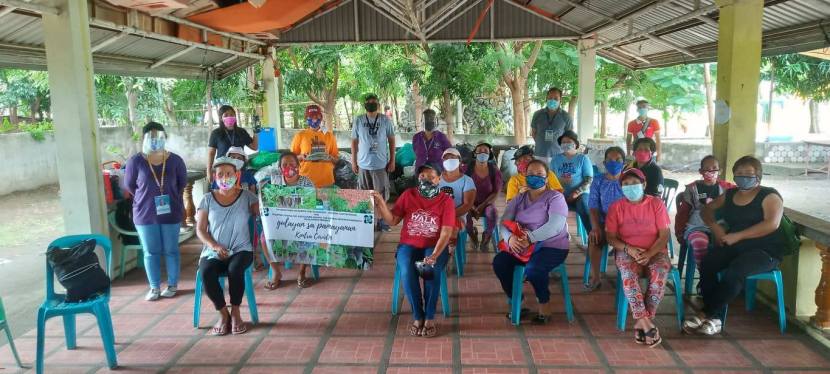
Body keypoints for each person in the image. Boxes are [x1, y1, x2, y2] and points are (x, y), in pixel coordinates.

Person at [684, 156, 785, 336]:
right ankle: (715, 319)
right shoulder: (730, 194)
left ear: (758, 175)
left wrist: (738, 235)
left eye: (748, 173)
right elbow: (707, 210)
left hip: (765, 251)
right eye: (739, 173)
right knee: (708, 262)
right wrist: (715, 228)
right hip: (736, 246)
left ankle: (705, 314)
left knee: (736, 270)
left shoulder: (769, 195)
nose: (743, 176)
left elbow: (772, 224)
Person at [372, 165, 455, 337]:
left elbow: (446, 232)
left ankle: (429, 317)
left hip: (435, 246)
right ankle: (418, 315)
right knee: (407, 270)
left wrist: (434, 255)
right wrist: (380, 202)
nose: (426, 180)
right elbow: (393, 220)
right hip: (408, 245)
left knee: (429, 269)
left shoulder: (446, 201)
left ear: (439, 179)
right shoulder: (409, 195)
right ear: (418, 178)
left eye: (431, 177)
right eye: (423, 176)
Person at [493, 160, 570, 324]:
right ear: (525, 176)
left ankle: (544, 303)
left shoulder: (555, 197)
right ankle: (517, 300)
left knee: (534, 268)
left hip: (551, 246)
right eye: (531, 174)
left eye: (540, 174)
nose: (535, 177)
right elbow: (504, 222)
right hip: (521, 246)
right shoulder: (519, 199)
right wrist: (510, 238)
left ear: (547, 178)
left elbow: (555, 226)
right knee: (500, 262)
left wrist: (530, 238)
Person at [605, 168, 671, 346]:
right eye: (626, 184)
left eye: (634, 183)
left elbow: (664, 235)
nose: (630, 187)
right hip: (627, 251)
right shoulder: (616, 207)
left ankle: (643, 322)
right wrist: (630, 249)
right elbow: (611, 237)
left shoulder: (656, 204)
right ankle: (645, 323)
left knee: (660, 272)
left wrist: (649, 253)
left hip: (655, 250)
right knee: (628, 275)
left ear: (644, 184)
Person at [124, 122, 187, 301]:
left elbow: (182, 183)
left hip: (171, 213)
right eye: (150, 136)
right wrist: (146, 197)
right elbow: (130, 186)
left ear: (164, 137)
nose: (154, 140)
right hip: (145, 214)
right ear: (144, 139)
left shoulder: (175, 160)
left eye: (158, 136)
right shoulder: (136, 161)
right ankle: (154, 287)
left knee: (171, 250)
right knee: (151, 252)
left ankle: (172, 285)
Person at [195, 156, 258, 336]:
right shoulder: (207, 199)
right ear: (214, 177)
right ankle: (223, 314)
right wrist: (214, 246)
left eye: (229, 174)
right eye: (220, 174)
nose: (224, 178)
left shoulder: (248, 197)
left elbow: (263, 212)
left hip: (241, 250)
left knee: (235, 269)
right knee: (206, 271)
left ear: (236, 175)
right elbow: (200, 230)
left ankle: (236, 311)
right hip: (213, 251)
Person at [262, 152, 316, 290]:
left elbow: (311, 205)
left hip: (301, 222)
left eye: (292, 164)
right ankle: (276, 272)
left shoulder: (306, 182)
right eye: (284, 165)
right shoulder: (274, 182)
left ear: (298, 166)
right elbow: (268, 203)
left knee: (309, 235)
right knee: (264, 238)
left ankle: (302, 272)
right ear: (280, 168)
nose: (289, 167)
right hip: (280, 223)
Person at [675, 155, 735, 270]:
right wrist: (680, 232)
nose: (711, 171)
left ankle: (721, 272)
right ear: (701, 171)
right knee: (699, 242)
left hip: (720, 226)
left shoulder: (727, 188)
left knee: (727, 243)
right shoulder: (692, 189)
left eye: (714, 168)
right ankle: (704, 271)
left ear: (720, 170)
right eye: (707, 169)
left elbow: (742, 193)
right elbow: (683, 213)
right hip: (696, 227)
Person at [584, 146, 626, 291]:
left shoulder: (628, 181)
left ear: (624, 163)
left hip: (625, 223)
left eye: (618, 160)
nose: (613, 163)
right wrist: (596, 228)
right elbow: (593, 206)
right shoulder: (598, 180)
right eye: (609, 160)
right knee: (594, 238)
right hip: (604, 222)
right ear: (604, 163)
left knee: (630, 240)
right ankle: (596, 278)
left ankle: (628, 276)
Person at [351, 93, 395, 230]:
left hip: (380, 165)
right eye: (368, 102)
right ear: (365, 105)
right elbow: (354, 142)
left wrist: (392, 160)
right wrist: (353, 161)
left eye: (374, 102)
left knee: (381, 195)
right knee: (364, 195)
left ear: (378, 104)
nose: (371, 104)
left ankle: (381, 220)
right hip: (363, 165)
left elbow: (391, 140)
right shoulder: (358, 120)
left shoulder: (385, 120)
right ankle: (367, 222)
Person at [550, 130, 594, 236]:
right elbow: (550, 179)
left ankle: (593, 235)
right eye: (563, 142)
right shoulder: (555, 159)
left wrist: (576, 193)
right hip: (560, 194)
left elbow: (589, 180)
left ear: (575, 144)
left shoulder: (583, 159)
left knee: (583, 205)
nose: (565, 144)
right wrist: (558, 193)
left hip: (580, 195)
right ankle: (556, 235)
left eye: (568, 141)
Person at [291, 104, 339, 188]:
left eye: (317, 116)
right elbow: (291, 159)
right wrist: (301, 157)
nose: (314, 119)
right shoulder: (300, 135)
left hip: (326, 181)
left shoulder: (329, 136)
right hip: (305, 181)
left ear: (321, 117)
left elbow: (336, 159)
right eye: (311, 116)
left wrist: (330, 158)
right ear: (306, 118)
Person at [465, 143, 503, 252]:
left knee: (492, 212)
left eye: (486, 151)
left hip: (487, 203)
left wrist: (482, 206)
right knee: (464, 215)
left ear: (490, 154)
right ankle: (472, 235)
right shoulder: (467, 169)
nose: (482, 153)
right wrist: (471, 206)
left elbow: (496, 192)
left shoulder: (494, 170)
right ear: (475, 153)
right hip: (468, 203)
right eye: (480, 150)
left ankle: (486, 237)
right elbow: (461, 189)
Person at [208, 105, 259, 182]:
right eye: (226, 115)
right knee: (224, 189)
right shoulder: (216, 133)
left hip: (239, 170)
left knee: (240, 189)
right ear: (221, 118)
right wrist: (209, 171)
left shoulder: (241, 132)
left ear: (235, 116)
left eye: (232, 114)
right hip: (222, 171)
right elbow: (211, 153)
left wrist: (256, 132)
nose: (229, 117)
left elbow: (254, 147)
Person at [438, 148, 476, 245]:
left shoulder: (467, 180)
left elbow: (467, 205)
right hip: (437, 214)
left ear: (459, 161)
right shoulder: (436, 178)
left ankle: (450, 249)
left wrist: (447, 215)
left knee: (451, 229)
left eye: (452, 157)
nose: (449, 160)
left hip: (458, 216)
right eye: (446, 158)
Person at [530, 87, 574, 163]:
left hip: (558, 155)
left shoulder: (566, 116)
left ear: (560, 100)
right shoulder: (537, 114)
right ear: (546, 99)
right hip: (539, 155)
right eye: (550, 98)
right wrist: (542, 144)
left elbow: (570, 138)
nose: (552, 100)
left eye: (556, 98)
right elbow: (533, 133)